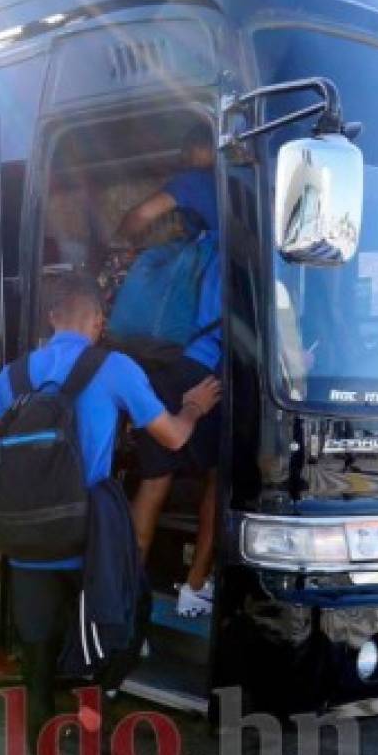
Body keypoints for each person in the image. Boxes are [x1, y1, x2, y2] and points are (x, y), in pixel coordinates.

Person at [0, 274, 220, 755]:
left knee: (37, 671)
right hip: (89, 545)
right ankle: (92, 722)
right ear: (97, 323)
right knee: (118, 627)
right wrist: (192, 406)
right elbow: (172, 439)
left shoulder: (10, 376)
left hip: (28, 548)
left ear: (49, 318)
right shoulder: (113, 367)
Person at [115, 124, 223, 617]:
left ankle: (125, 594)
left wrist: (125, 245)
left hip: (160, 359)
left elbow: (139, 215)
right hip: (204, 368)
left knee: (154, 480)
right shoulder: (228, 190)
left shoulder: (193, 190)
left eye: (189, 148)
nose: (185, 156)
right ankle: (196, 584)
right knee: (220, 477)